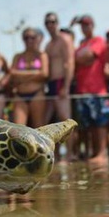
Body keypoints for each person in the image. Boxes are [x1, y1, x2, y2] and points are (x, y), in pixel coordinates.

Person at [73, 14, 109, 164]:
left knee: (101, 124)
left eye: (87, 24)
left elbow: (88, 56)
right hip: (82, 90)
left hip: (98, 90)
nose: (85, 27)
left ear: (93, 25)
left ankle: (102, 154)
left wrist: (80, 57)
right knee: (88, 125)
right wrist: (81, 58)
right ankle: (95, 153)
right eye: (82, 25)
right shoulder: (81, 44)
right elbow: (81, 59)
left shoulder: (99, 40)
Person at [44, 12, 76, 161]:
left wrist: (66, 86)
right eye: (48, 22)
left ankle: (70, 154)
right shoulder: (48, 45)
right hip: (51, 85)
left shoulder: (65, 39)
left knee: (65, 120)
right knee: (49, 120)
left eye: (53, 21)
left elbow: (69, 62)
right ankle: (55, 154)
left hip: (61, 82)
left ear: (57, 23)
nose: (50, 24)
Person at [9, 27, 49, 127]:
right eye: (26, 38)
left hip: (37, 94)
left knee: (39, 127)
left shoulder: (42, 55)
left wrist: (21, 75)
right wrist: (35, 73)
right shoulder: (18, 56)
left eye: (32, 37)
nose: (29, 40)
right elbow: (12, 73)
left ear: (37, 38)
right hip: (20, 95)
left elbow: (44, 74)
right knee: (19, 129)